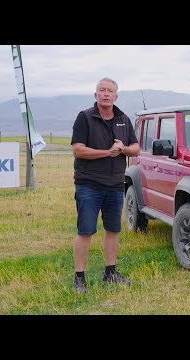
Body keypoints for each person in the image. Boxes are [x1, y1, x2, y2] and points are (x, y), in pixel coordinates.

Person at [71, 77, 140, 293]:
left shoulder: (123, 119)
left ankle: (110, 273)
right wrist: (106, 153)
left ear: (116, 96)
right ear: (96, 95)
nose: (106, 94)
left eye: (110, 91)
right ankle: (79, 278)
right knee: (86, 231)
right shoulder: (84, 118)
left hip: (114, 185)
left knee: (113, 230)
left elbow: (136, 148)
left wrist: (124, 149)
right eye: (102, 90)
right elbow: (78, 150)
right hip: (89, 185)